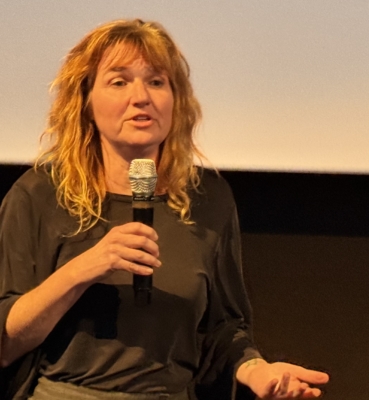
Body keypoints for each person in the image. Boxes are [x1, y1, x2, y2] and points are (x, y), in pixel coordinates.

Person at [0, 19, 329, 399]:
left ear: (176, 99)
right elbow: (6, 341)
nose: (141, 97)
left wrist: (257, 372)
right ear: (85, 101)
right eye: (119, 82)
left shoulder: (207, 198)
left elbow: (223, 330)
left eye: (156, 82)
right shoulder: (39, 195)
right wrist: (82, 270)